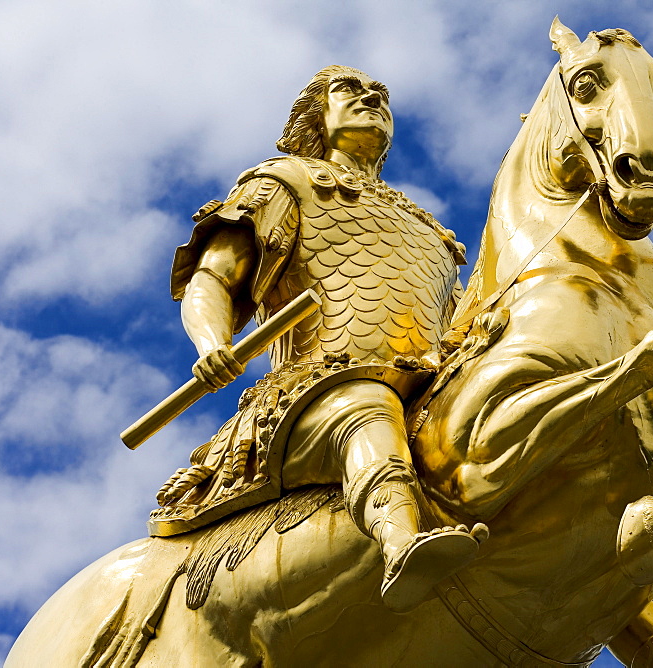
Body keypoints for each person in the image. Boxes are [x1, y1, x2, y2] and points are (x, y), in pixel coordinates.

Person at [150, 65, 486, 612]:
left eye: (381, 95)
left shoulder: (432, 232)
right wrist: (212, 343)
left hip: (424, 384)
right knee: (367, 406)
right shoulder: (285, 182)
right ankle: (400, 540)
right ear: (318, 116)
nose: (371, 99)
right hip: (315, 390)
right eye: (351, 92)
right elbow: (213, 277)